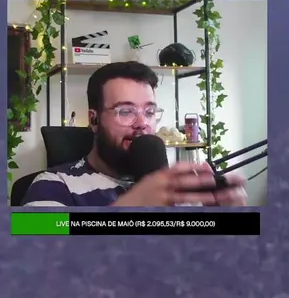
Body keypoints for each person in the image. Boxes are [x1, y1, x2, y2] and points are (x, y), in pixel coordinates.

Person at [19, 62, 247, 208]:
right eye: (125, 111)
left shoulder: (176, 187)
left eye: (150, 112)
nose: (142, 124)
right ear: (94, 120)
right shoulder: (53, 185)